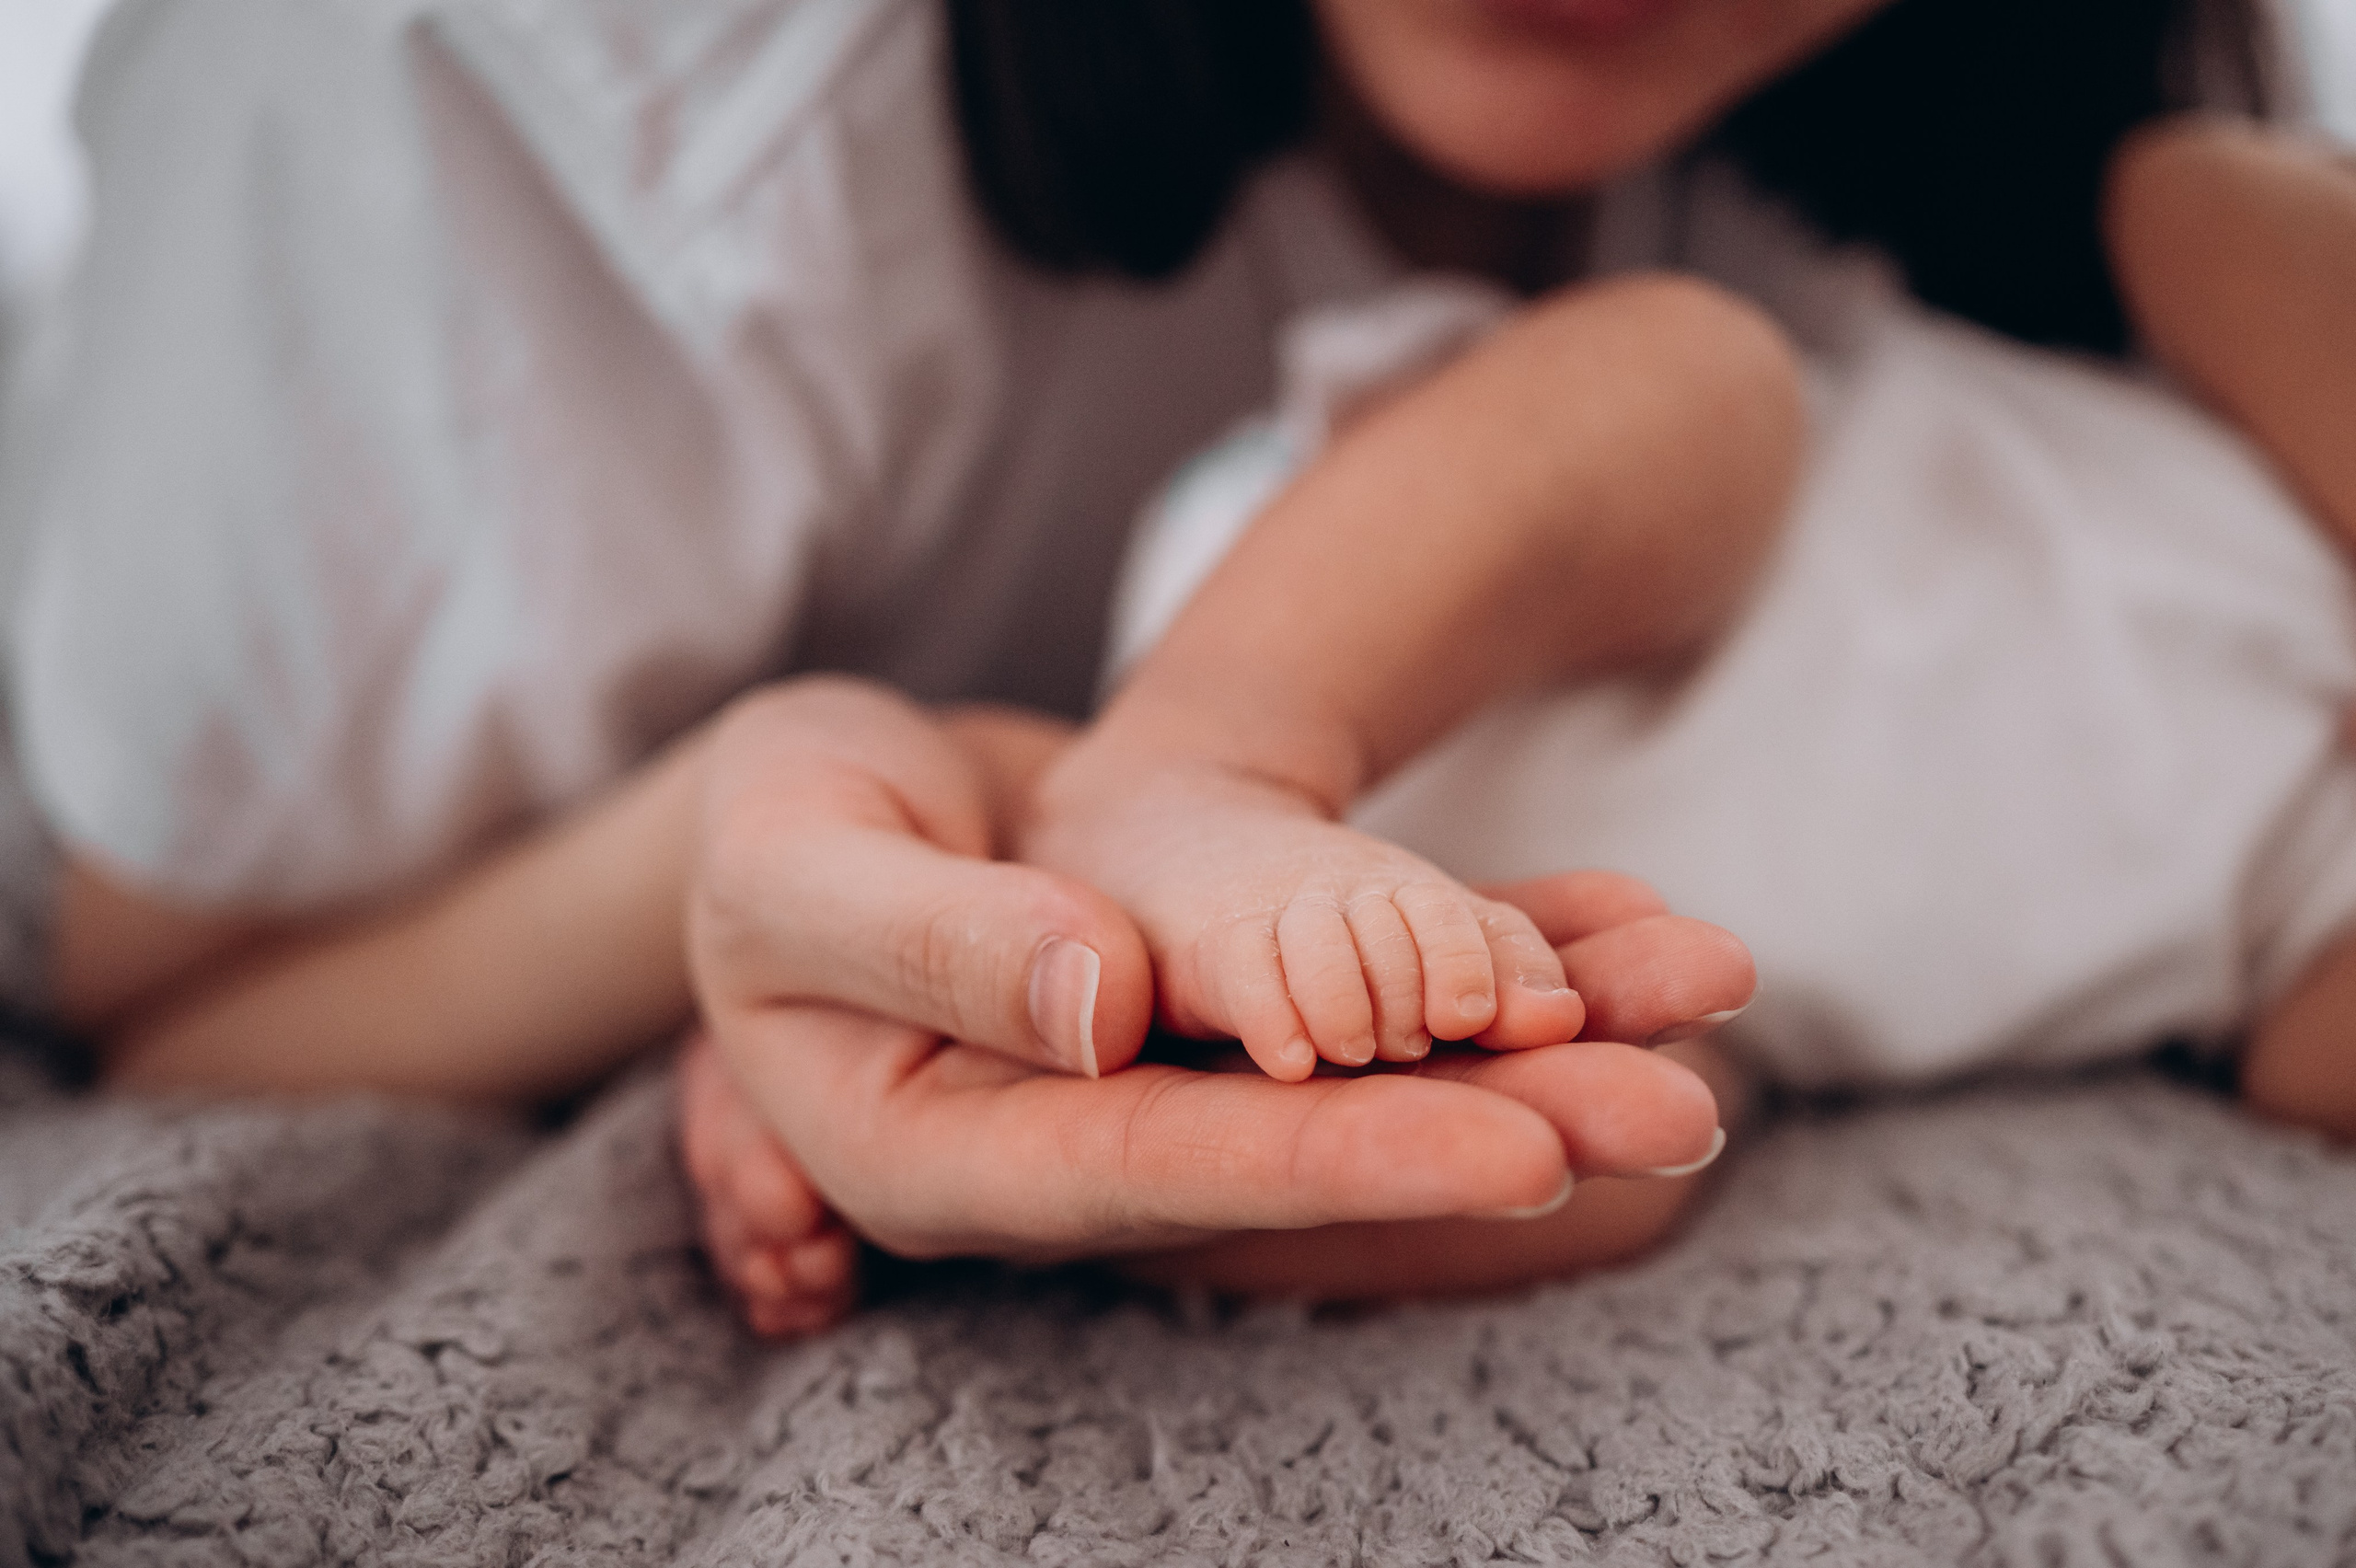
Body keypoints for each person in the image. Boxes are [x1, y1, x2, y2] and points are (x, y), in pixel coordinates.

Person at [8, 0, 2310, 1331]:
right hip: (1566, 559)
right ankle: (1185, 767)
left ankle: (1008, 1005)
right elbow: (172, 999)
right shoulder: (548, 83)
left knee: (1584, 1151)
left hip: (1640, 934)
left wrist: (801, 892)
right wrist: (724, 845)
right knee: (1682, 389)